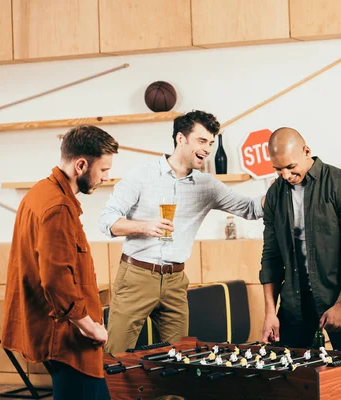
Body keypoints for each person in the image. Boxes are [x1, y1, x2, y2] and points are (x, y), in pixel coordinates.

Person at [99, 110, 264, 354]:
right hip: (137, 275)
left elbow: (250, 209)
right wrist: (144, 226)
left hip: (176, 281)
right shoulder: (142, 174)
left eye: (210, 143)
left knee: (178, 358)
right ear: (180, 139)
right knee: (115, 355)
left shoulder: (207, 185)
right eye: (201, 141)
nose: (207, 149)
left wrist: (283, 183)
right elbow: (107, 221)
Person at [1, 125, 119, 400]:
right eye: (103, 170)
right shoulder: (58, 207)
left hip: (57, 331)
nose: (106, 176)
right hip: (67, 338)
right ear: (81, 165)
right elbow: (56, 280)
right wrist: (91, 327)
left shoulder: (40, 192)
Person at [259, 127, 341, 351]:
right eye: (278, 169)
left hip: (338, 299)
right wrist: (270, 313)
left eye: (291, 167)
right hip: (294, 303)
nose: (286, 176)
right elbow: (271, 256)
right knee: (287, 378)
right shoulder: (274, 194)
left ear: (306, 151)